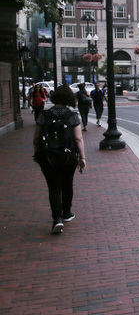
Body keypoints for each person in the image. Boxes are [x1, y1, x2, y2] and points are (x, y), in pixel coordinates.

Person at [33, 85, 86, 234]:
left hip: (48, 157)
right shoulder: (72, 115)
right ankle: (67, 212)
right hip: (68, 156)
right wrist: (82, 157)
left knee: (54, 186)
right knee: (67, 183)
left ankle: (57, 218)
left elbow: (36, 138)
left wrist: (36, 153)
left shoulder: (44, 115)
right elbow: (78, 138)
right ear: (69, 98)